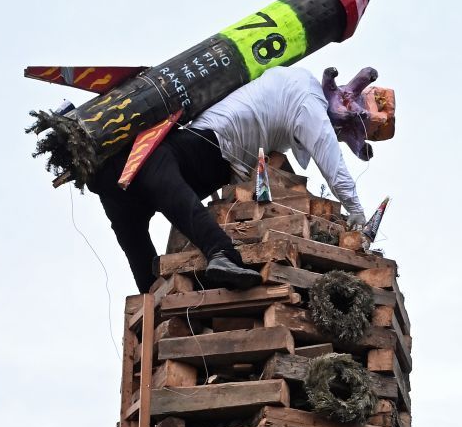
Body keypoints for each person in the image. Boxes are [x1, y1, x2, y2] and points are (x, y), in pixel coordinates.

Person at [92, 64, 393, 293]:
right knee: (163, 202)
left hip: (169, 170)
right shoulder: (307, 98)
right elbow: (330, 158)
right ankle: (216, 255)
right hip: (198, 149)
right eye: (348, 126)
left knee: (137, 224)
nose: (340, 134)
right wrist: (355, 210)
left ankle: (154, 293)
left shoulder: (290, 84)